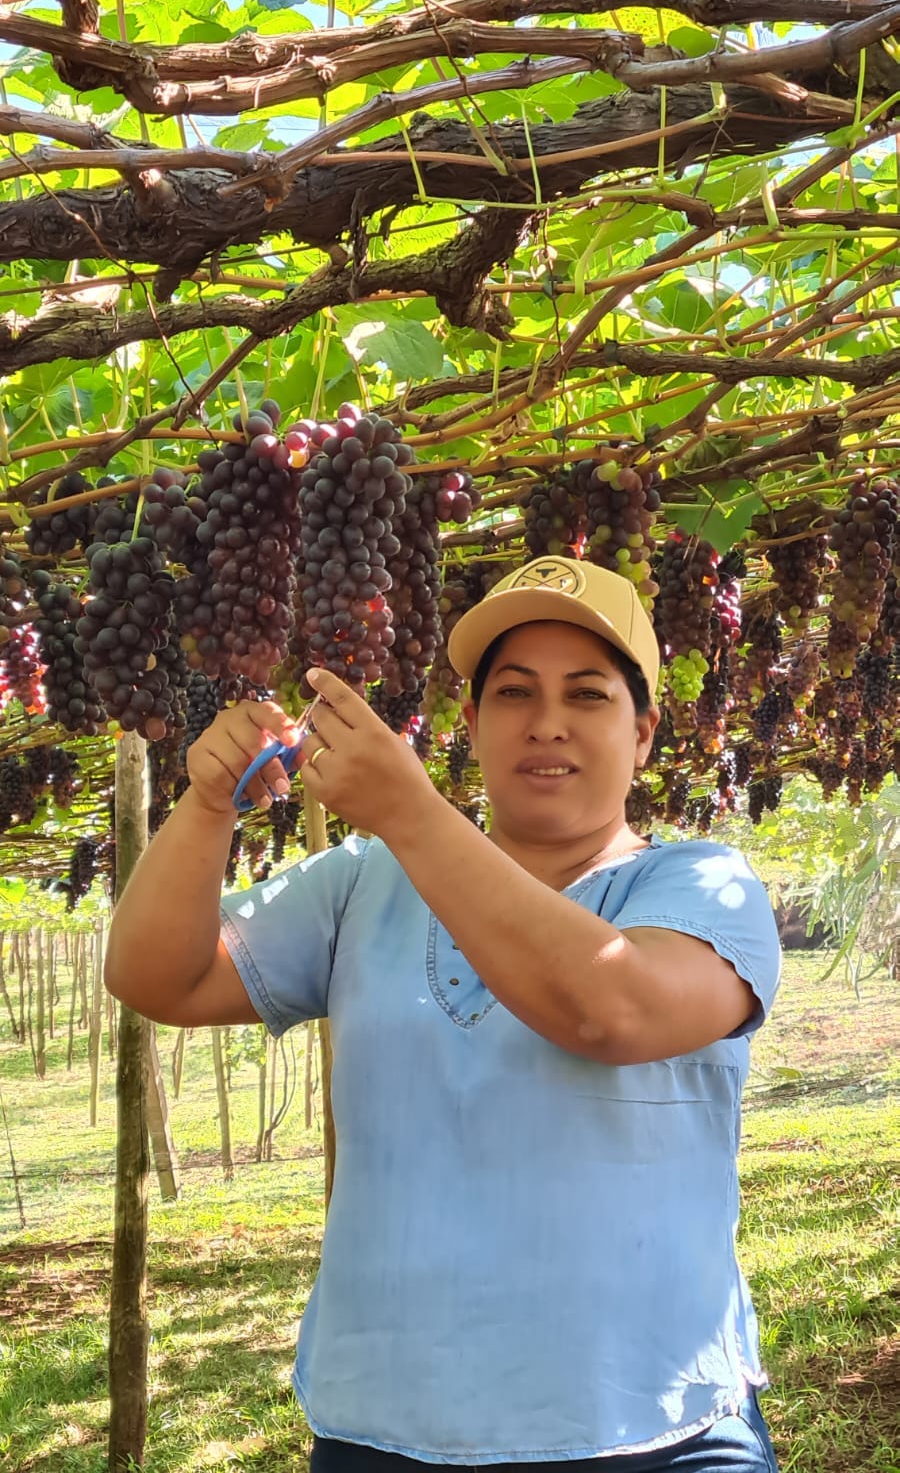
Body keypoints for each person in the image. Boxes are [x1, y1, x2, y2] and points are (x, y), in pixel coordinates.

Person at [106, 556, 782, 1473]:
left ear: (646, 733)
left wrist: (413, 815)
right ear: (470, 723)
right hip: (386, 1427)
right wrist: (208, 803)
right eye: (512, 693)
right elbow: (157, 978)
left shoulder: (703, 885)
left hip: (657, 1425)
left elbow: (612, 1011)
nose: (547, 723)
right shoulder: (359, 885)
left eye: (588, 695)